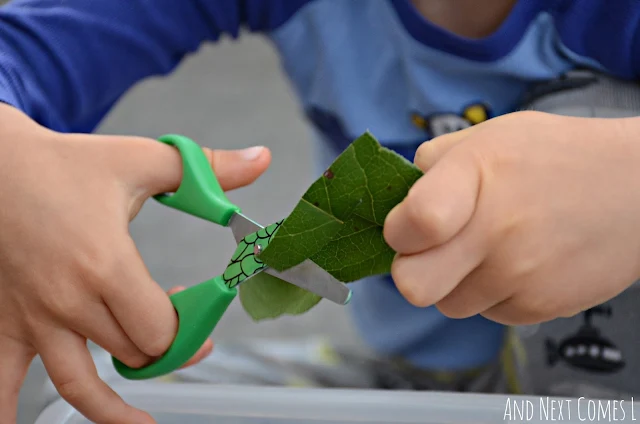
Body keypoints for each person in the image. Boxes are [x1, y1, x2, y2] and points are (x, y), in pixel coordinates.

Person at [2, 0, 640, 422]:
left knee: (594, 111)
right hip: (414, 381)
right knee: (117, 403)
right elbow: (29, 47)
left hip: (603, 397)